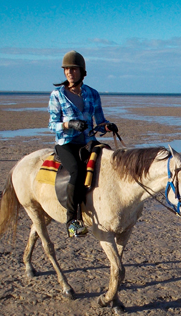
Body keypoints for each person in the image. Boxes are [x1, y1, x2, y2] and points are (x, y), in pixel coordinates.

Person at [48, 50, 118, 237]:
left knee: (110, 161)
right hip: (66, 143)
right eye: (67, 69)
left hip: (88, 141)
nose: (70, 72)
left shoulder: (92, 94)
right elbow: (51, 124)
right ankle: (72, 220)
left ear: (82, 71)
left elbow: (100, 122)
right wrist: (69, 124)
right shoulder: (57, 95)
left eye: (74, 69)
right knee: (76, 171)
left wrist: (108, 126)